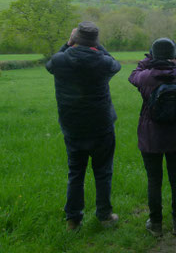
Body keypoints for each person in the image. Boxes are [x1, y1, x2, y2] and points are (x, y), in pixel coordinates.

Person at [46, 21, 121, 231]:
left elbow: (49, 65)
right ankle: (105, 216)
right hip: (101, 126)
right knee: (103, 173)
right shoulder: (103, 61)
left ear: (75, 38)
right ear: (95, 41)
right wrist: (98, 45)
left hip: (73, 127)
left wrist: (68, 43)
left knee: (76, 174)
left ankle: (73, 220)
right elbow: (115, 63)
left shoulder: (61, 59)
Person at [128, 38, 176, 237]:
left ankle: (156, 224)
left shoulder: (145, 77)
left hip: (151, 137)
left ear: (153, 55)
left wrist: (149, 58)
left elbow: (133, 75)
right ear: (174, 55)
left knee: (154, 181)